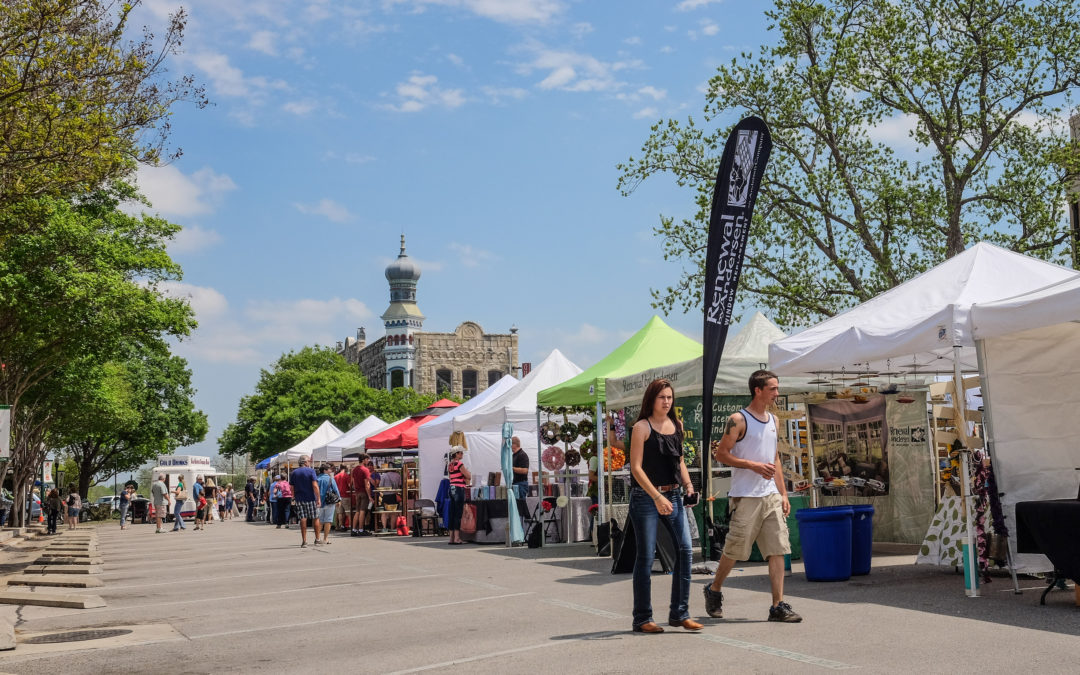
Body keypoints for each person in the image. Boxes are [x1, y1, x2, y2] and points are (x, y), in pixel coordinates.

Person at [705, 369, 801, 623]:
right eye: (772, 388)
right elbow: (721, 454)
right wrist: (752, 465)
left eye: (777, 388)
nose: (777, 393)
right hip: (745, 495)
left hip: (770, 495)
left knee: (778, 548)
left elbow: (775, 458)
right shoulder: (738, 419)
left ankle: (777, 606)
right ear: (757, 390)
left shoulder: (774, 420)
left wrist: (783, 493)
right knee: (735, 550)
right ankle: (714, 589)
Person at [627, 378, 700, 634]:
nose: (667, 402)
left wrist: (689, 486)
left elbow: (678, 461)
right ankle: (642, 618)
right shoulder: (641, 427)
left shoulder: (676, 424)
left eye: (669, 397)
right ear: (652, 399)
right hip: (646, 498)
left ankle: (680, 613)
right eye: (662, 398)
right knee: (646, 557)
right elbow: (635, 468)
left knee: (685, 550)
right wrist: (657, 497)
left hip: (675, 495)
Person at [289, 455, 321, 548]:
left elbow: (292, 487)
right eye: (309, 461)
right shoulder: (311, 471)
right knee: (315, 517)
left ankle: (304, 541)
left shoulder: (294, 473)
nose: (310, 463)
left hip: (299, 498)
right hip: (310, 498)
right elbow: (315, 485)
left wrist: (294, 496)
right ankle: (317, 539)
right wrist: (318, 498)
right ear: (306, 462)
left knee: (303, 519)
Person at [446, 445, 471, 545]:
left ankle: (451, 538)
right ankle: (457, 538)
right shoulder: (459, 464)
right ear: (456, 454)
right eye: (460, 452)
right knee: (458, 514)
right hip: (458, 488)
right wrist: (467, 474)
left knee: (452, 513)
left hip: (451, 488)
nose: (462, 454)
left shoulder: (450, 465)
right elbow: (468, 476)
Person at [316, 463, 340, 545]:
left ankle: (317, 538)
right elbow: (336, 490)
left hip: (318, 502)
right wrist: (339, 499)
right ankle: (325, 539)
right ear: (325, 470)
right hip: (329, 502)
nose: (331, 470)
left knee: (319, 521)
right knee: (328, 520)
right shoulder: (330, 479)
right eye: (329, 469)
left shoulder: (316, 479)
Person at [350, 455, 373, 537]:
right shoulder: (365, 470)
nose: (368, 461)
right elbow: (367, 484)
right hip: (364, 492)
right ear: (363, 460)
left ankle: (353, 529)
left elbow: (351, 482)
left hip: (357, 492)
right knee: (362, 511)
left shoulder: (354, 469)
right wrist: (369, 496)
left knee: (357, 511)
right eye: (367, 459)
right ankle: (360, 529)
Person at [377, 467, 402, 531]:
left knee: (384, 512)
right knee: (393, 513)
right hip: (394, 496)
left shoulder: (384, 475)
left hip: (386, 496)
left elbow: (381, 485)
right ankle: (392, 528)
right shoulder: (398, 475)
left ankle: (384, 528)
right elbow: (400, 485)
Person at [334, 465, 351, 531]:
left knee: (340, 513)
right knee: (348, 512)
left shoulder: (335, 476)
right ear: (346, 468)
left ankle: (341, 526)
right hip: (346, 495)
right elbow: (350, 485)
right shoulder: (346, 476)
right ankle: (350, 526)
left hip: (338, 496)